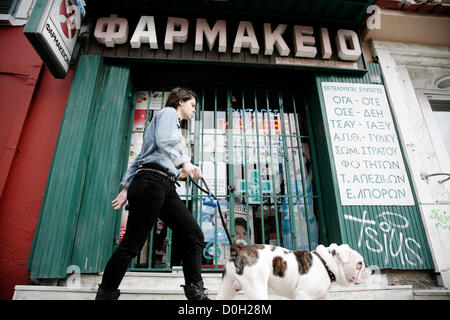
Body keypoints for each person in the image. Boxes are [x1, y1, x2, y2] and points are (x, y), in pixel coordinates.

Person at [95, 87, 209, 300]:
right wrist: (186, 163)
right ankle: (105, 296)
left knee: (193, 234)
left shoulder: (173, 126)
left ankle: (197, 296)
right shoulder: (167, 114)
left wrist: (127, 187)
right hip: (152, 182)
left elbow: (140, 157)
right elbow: (165, 142)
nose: (194, 111)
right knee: (132, 244)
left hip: (162, 185)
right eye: (192, 105)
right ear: (180, 101)